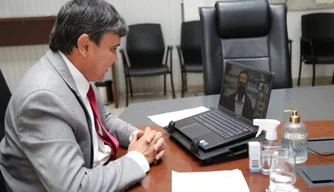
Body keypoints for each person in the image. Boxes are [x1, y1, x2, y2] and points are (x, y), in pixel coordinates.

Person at [0, 0, 166, 191]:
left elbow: (103, 121)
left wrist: (139, 138)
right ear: (84, 45)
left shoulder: (73, 71)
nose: (115, 59)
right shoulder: (43, 99)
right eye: (112, 49)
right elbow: (74, 186)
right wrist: (138, 158)